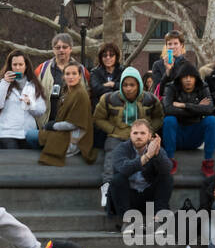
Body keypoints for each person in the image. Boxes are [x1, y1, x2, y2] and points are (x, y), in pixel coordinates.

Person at [92, 67, 161, 209]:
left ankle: (149, 191)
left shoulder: (150, 99)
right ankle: (107, 187)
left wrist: (148, 131)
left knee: (149, 156)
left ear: (139, 85)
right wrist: (112, 129)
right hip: (118, 134)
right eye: (125, 85)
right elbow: (98, 118)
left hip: (140, 136)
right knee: (112, 153)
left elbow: (159, 117)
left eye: (132, 85)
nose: (128, 88)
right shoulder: (109, 98)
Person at [106, 119, 172, 235]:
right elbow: (123, 169)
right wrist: (146, 157)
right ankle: (127, 222)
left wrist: (156, 155)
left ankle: (158, 220)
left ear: (149, 136)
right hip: (127, 199)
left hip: (148, 199)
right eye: (135, 133)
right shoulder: (121, 149)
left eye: (142, 133)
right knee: (117, 179)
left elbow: (167, 169)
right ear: (130, 134)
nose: (138, 136)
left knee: (167, 178)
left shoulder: (156, 149)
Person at [161, 61, 215, 175]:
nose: (188, 79)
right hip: (177, 136)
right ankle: (170, 161)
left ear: (196, 78)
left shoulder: (203, 87)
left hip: (195, 136)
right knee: (169, 120)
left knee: (211, 120)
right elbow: (168, 110)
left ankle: (208, 162)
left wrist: (184, 105)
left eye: (191, 77)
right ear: (180, 79)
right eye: (185, 77)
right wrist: (197, 109)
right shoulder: (171, 87)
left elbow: (209, 110)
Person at [38, 61, 95, 166]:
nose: (71, 77)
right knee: (36, 134)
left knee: (31, 136)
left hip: (74, 139)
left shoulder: (80, 94)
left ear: (79, 76)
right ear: (63, 77)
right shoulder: (67, 92)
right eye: (67, 74)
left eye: (74, 74)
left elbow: (74, 124)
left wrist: (52, 125)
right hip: (64, 132)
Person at [34, 33, 90, 138]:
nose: (61, 50)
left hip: (72, 126)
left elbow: (89, 93)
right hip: (47, 123)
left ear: (70, 49)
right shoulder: (42, 69)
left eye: (65, 47)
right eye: (58, 47)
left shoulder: (82, 70)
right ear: (53, 49)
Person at [0, 49, 45, 149]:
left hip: (27, 132)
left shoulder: (33, 85)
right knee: (12, 162)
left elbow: (41, 110)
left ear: (26, 66)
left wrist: (30, 104)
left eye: (20, 64)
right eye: (14, 65)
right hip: (7, 133)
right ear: (10, 66)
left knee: (25, 163)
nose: (17, 68)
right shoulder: (3, 83)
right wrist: (5, 82)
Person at [148, 30, 192, 99]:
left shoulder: (187, 65)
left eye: (175, 43)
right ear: (166, 46)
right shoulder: (157, 65)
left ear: (182, 45)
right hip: (165, 104)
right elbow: (159, 90)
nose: (172, 46)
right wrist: (168, 72)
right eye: (169, 44)